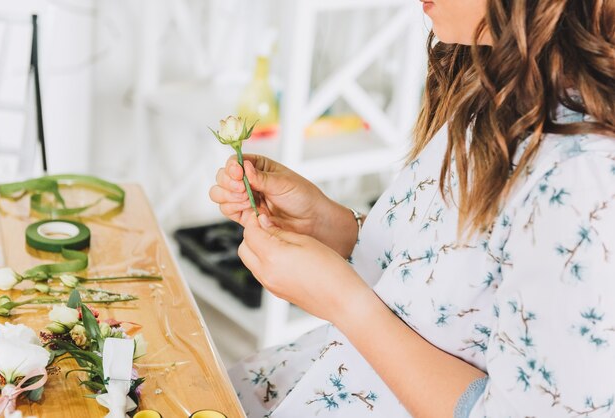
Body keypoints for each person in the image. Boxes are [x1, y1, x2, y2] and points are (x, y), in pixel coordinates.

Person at [209, 0, 615, 416]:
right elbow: (457, 282)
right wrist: (335, 226)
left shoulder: (584, 175)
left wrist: (345, 303)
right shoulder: (499, 84)